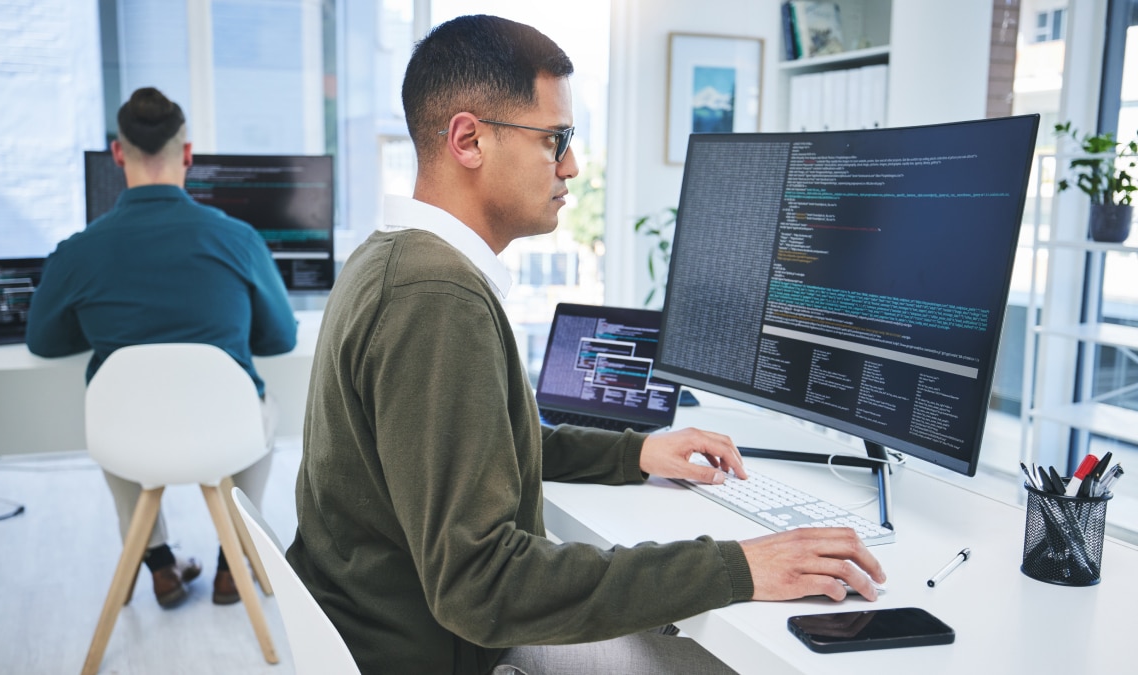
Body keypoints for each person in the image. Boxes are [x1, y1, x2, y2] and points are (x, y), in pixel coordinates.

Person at [287, 15, 886, 675]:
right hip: (440, 651)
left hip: (384, 630)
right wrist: (736, 564)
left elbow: (475, 445)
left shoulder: (390, 258)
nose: (571, 165)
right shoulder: (437, 298)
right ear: (468, 139)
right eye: (555, 139)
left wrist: (636, 451)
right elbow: (482, 584)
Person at [26, 87, 297, 609]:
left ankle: (159, 566)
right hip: (226, 434)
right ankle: (229, 561)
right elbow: (280, 338)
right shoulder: (238, 240)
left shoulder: (78, 252)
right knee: (262, 408)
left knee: (113, 408)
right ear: (188, 155)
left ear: (118, 154)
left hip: (128, 440)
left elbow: (43, 341)